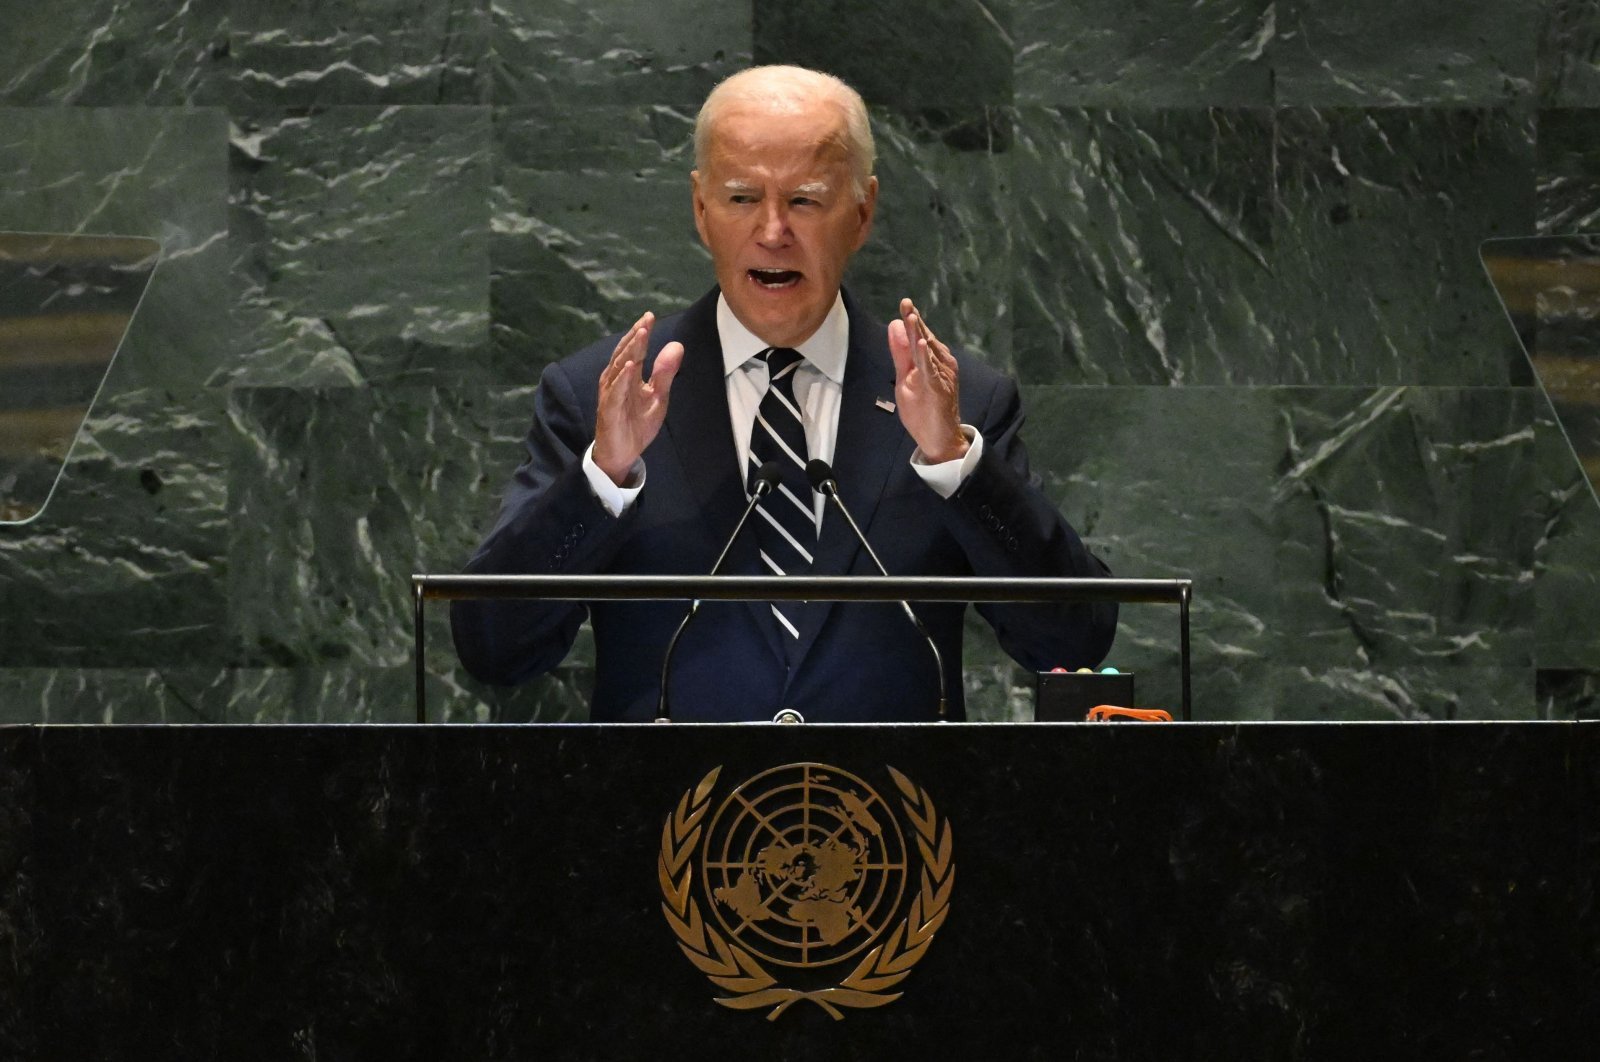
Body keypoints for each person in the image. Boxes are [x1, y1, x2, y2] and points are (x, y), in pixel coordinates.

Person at [452, 64, 1115, 721]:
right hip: (665, 820)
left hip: (890, 820)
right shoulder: (600, 397)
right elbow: (495, 650)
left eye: (804, 199)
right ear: (700, 208)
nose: (773, 231)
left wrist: (956, 464)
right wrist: (602, 477)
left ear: (862, 212)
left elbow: (1072, 642)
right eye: (742, 198)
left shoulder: (961, 402)